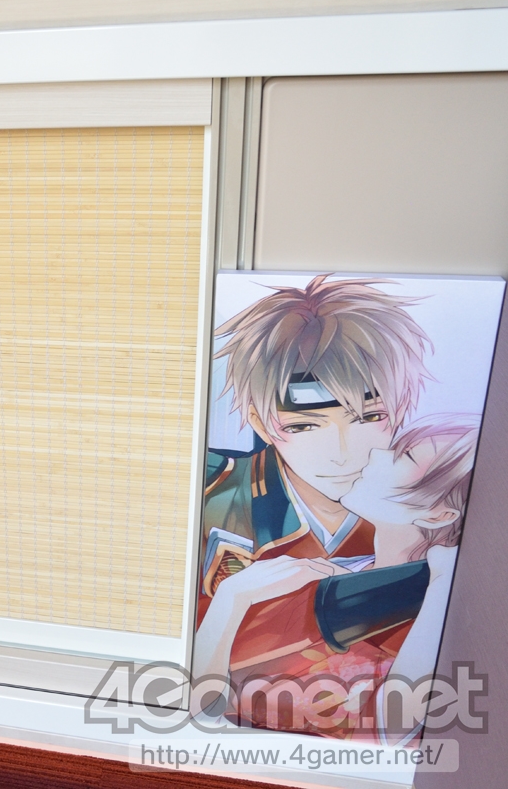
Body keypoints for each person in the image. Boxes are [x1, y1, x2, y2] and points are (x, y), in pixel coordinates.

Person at [193, 416, 476, 742]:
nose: (375, 453)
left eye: (405, 456)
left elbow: (388, 733)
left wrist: (442, 582)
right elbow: (193, 704)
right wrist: (231, 596)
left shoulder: (428, 622)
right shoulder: (315, 570)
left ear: (439, 515)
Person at [199, 275, 432, 626]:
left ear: (400, 410)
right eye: (303, 426)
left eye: (368, 418)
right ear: (260, 424)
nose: (341, 453)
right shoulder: (209, 487)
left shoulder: (434, 505)